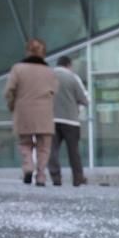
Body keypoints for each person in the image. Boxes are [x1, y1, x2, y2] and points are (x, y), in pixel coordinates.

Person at [4, 38, 58, 186]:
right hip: (44, 113)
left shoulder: (18, 69)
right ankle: (41, 175)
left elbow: (9, 90)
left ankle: (28, 167)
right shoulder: (50, 72)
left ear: (27, 51)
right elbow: (54, 91)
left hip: (23, 110)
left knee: (24, 142)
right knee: (44, 147)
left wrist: (12, 104)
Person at [48, 55, 90, 187]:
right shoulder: (73, 78)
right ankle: (78, 178)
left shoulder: (48, 77)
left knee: (52, 149)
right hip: (71, 120)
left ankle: (56, 177)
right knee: (74, 151)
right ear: (69, 65)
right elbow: (84, 99)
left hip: (51, 119)